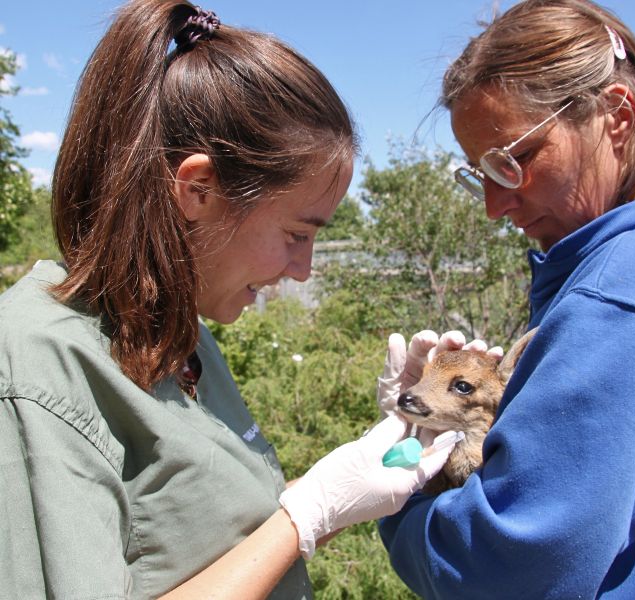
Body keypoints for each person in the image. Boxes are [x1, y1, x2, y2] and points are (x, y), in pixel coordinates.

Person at [0, 2, 454, 598]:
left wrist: (364, 466)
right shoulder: (37, 365)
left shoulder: (172, 333)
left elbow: (217, 539)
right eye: (297, 234)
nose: (303, 269)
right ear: (198, 189)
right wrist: (305, 517)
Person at [377, 0, 635, 598]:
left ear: (616, 117)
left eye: (514, 161)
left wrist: (399, 495)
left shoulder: (629, 285)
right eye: (480, 173)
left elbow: (502, 572)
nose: (495, 206)